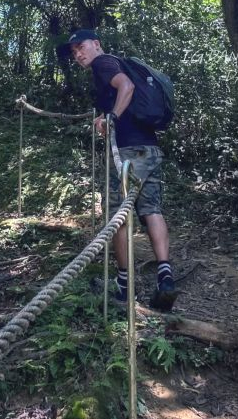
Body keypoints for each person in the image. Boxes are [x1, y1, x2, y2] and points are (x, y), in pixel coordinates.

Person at [62, 28, 179, 311]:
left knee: (118, 215)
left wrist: (111, 117)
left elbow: (126, 87)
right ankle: (166, 277)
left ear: (96, 44)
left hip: (126, 153)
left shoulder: (103, 64)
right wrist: (106, 116)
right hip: (149, 149)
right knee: (151, 209)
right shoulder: (117, 61)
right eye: (75, 51)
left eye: (82, 47)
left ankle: (124, 286)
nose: (79, 54)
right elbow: (125, 96)